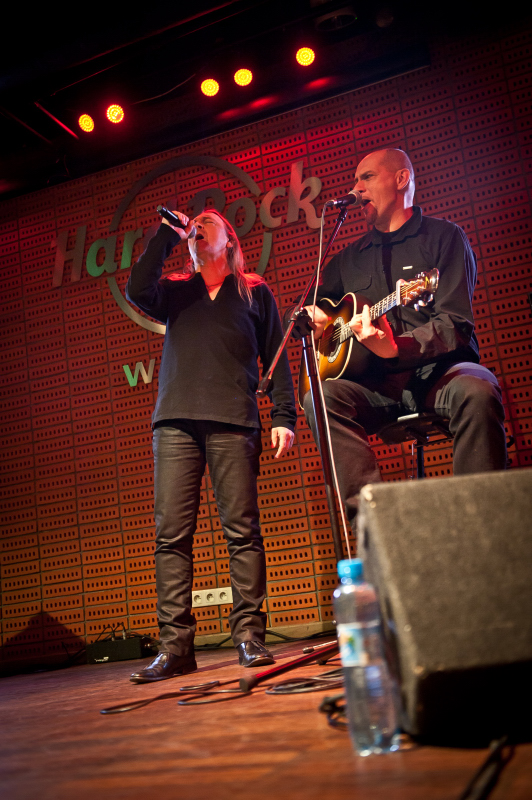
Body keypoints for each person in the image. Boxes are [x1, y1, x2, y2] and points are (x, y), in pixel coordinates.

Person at [126, 209, 296, 683]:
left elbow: (276, 357)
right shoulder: (177, 289)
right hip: (175, 422)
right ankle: (176, 646)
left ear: (230, 240)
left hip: (233, 420)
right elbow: (137, 290)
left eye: (206, 222)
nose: (197, 228)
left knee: (242, 531)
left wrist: (284, 415)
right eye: (192, 226)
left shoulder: (254, 291)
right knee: (171, 537)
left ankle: (249, 636)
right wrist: (165, 234)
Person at [302, 148, 507, 538]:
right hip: (376, 384)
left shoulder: (444, 237)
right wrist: (318, 320)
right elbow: (299, 315)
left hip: (440, 372)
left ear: (401, 180)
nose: (355, 188)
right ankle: (375, 531)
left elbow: (455, 323)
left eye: (366, 178)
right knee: (320, 398)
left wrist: (397, 346)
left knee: (478, 392)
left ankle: (479, 527)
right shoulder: (347, 260)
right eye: (355, 180)